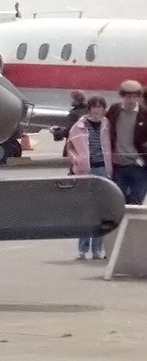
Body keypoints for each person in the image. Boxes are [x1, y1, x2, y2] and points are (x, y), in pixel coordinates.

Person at [68, 96, 113, 260]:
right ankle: (83, 248)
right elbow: (70, 147)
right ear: (89, 109)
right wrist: (77, 162)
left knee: (100, 212)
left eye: (100, 107)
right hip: (85, 170)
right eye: (94, 106)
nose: (96, 110)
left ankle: (97, 249)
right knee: (86, 211)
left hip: (102, 169)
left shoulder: (108, 126)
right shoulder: (78, 126)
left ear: (104, 109)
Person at [106, 80, 147, 205]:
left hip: (138, 165)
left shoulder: (144, 114)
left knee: (136, 201)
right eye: (128, 96)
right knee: (118, 201)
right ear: (123, 96)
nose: (131, 100)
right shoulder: (114, 111)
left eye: (135, 96)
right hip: (118, 164)